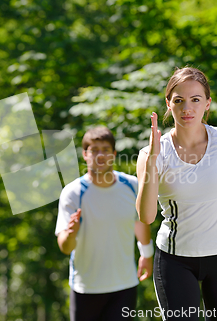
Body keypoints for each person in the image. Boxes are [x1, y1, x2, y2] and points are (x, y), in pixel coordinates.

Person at [136, 67, 217, 321]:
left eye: (195, 100)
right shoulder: (152, 153)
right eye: (179, 100)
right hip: (175, 261)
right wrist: (152, 162)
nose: (188, 108)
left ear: (207, 104)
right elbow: (146, 216)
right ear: (168, 104)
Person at [55, 126, 154, 321]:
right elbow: (65, 247)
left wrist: (147, 254)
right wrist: (71, 232)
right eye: (94, 150)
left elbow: (140, 221)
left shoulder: (132, 186)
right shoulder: (73, 192)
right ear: (85, 154)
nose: (100, 155)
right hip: (86, 287)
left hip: (124, 285)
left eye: (105, 150)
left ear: (114, 154)